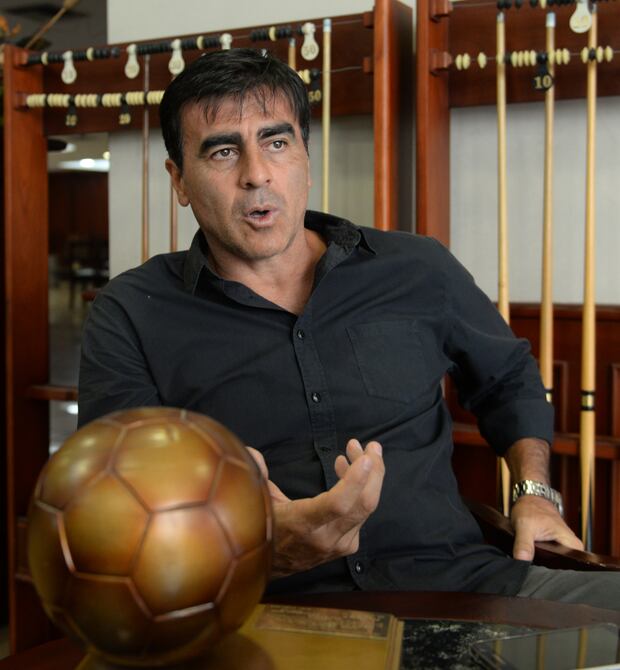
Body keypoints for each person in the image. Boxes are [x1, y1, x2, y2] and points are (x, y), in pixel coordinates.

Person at [79, 48, 620, 608]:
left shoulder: (417, 268)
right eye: (223, 151)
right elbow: (115, 512)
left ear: (306, 159)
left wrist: (535, 492)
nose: (256, 174)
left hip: (462, 587)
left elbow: (508, 377)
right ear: (179, 180)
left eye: (276, 142)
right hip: (263, 614)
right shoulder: (131, 313)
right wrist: (250, 546)